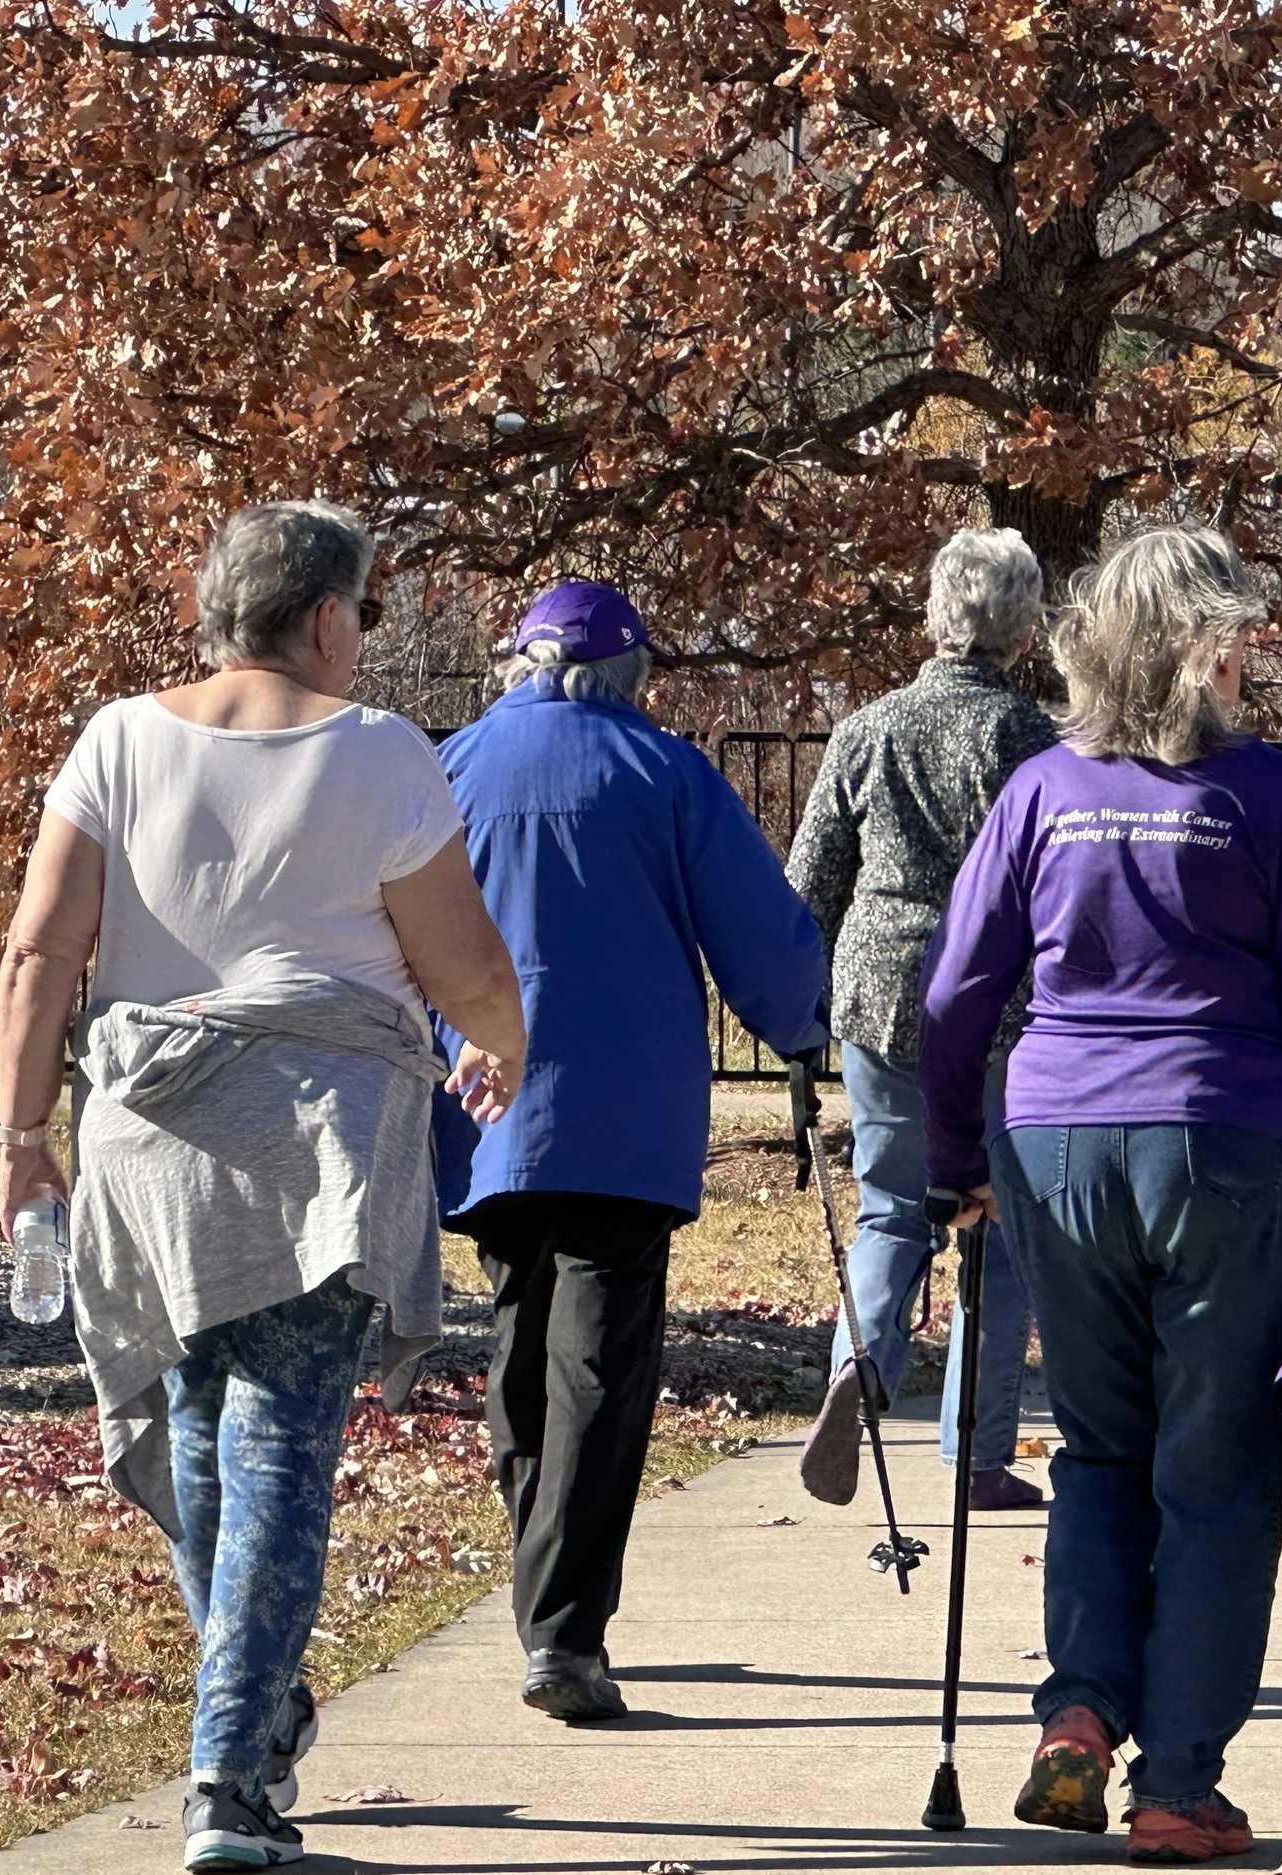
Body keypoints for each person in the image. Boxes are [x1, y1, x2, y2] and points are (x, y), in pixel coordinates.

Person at [0, 500, 527, 1873]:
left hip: (148, 1142)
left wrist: (20, 1139)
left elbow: (40, 954)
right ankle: (230, 1779)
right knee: (278, 1444)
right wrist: (505, 1037)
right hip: (315, 1150)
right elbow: (459, 961)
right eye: (367, 612)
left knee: (199, 1426)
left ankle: (260, 1702)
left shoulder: (117, 738)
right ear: (327, 615)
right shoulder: (379, 751)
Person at [916, 525, 1282, 1865]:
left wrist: (951, 1158)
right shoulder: (1275, 797)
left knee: (1097, 1444)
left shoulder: (1044, 791)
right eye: (1236, 629)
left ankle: (1079, 1706)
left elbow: (959, 989)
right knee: (1217, 1469)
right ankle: (1179, 1779)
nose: (1253, 651)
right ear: (1193, 643)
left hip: (1057, 1141)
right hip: (1233, 1149)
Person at [435, 581, 828, 1723]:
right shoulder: (665, 774)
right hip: (624, 1113)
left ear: (521, 663)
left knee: (520, 1338)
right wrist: (800, 1029)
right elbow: (760, 933)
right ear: (628, 674)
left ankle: (542, 1578)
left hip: (484, 1107)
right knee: (598, 1372)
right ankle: (562, 1632)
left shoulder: (451, 767)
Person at [785, 527, 1057, 1511]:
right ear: (1024, 627)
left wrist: (796, 1013)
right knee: (1002, 1228)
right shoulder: (1030, 738)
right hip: (997, 1003)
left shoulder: (866, 728)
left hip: (875, 985)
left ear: (937, 613)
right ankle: (977, 1455)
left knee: (892, 1208)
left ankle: (855, 1362)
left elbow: (809, 881)